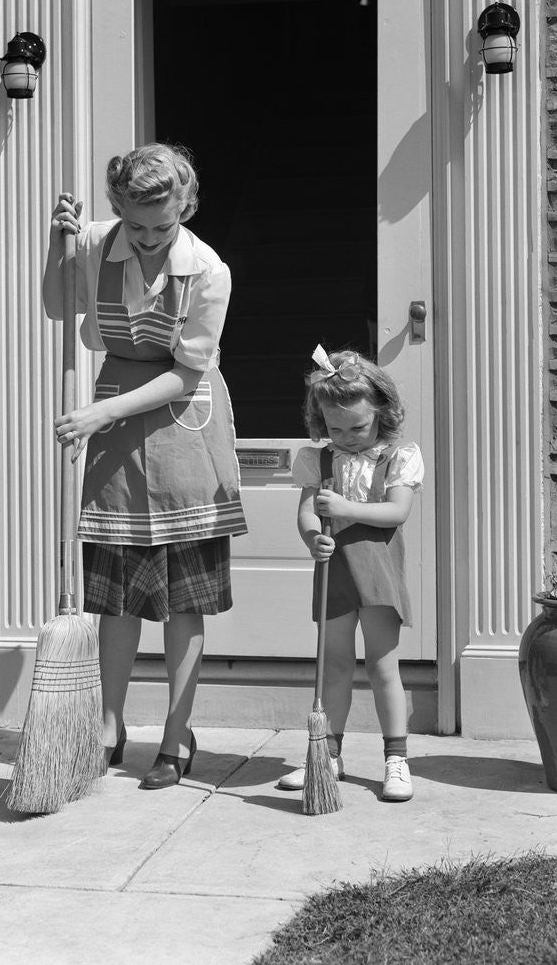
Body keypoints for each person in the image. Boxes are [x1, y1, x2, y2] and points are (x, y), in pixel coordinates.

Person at [42, 143, 247, 789]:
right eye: (136, 226)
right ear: (118, 210)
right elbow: (58, 307)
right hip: (113, 430)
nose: (150, 239)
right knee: (117, 597)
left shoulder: (208, 270)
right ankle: (109, 727)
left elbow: (186, 373)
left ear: (185, 206)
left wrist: (101, 413)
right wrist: (57, 244)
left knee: (183, 600)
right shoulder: (96, 243)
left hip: (183, 422)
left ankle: (176, 733)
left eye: (163, 225)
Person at [278, 344, 424, 801]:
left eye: (357, 427)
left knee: (383, 665)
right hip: (334, 572)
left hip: (379, 573)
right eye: (335, 428)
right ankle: (327, 756)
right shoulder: (318, 460)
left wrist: (345, 508)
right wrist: (312, 538)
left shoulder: (397, 457)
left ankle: (396, 759)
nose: (346, 437)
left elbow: (397, 512)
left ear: (382, 412)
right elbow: (306, 513)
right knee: (335, 664)